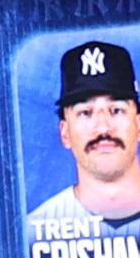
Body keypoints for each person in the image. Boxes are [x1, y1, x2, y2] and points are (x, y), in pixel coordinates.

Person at [28, 41, 140, 236]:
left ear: (138, 125)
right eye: (86, 113)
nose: (103, 127)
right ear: (65, 133)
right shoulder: (34, 234)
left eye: (116, 110)